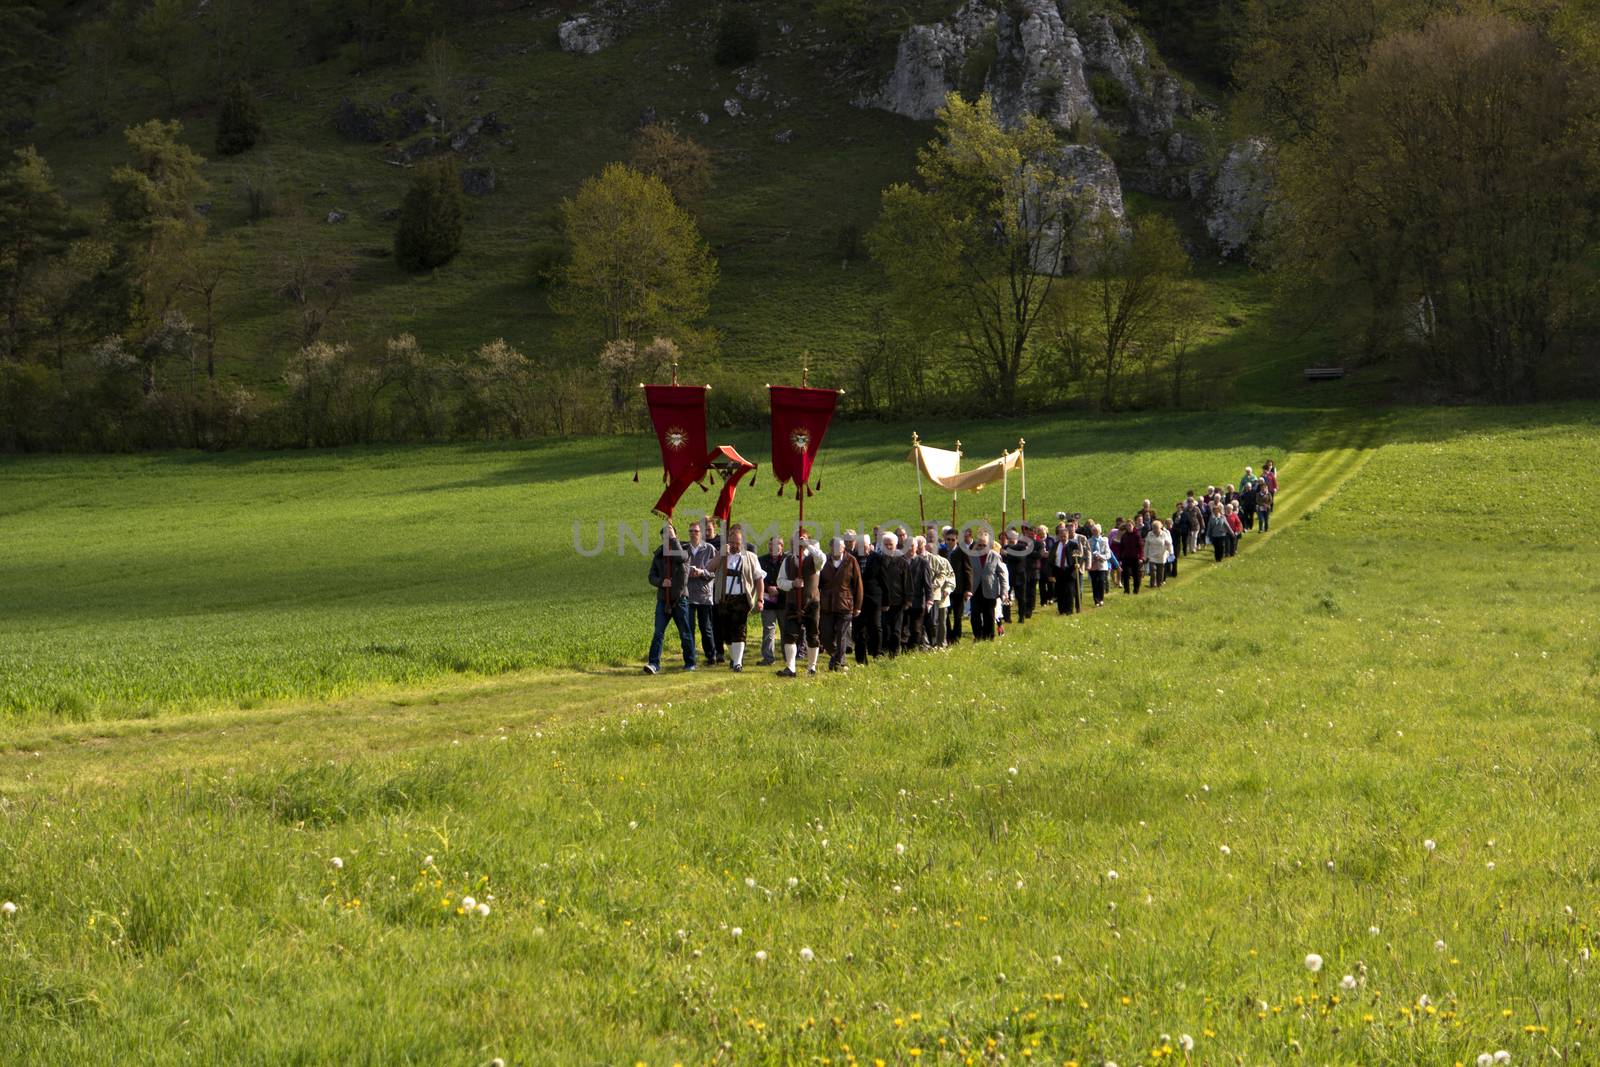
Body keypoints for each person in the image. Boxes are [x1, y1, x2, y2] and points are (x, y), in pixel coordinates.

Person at [712, 523, 765, 672]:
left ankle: (738, 663)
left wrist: (760, 599)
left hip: (742, 599)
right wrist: (720, 554)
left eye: (738, 543)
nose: (735, 546)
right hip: (723, 599)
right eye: (733, 543)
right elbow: (710, 567)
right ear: (728, 540)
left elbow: (759, 579)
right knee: (725, 633)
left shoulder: (751, 557)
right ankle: (734, 657)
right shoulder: (722, 554)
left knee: (739, 630)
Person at [645, 522, 696, 673]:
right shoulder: (659, 554)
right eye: (665, 536)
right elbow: (651, 576)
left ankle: (690, 663)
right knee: (658, 632)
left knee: (685, 633)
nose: (667, 538)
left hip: (680, 600)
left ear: (675, 535)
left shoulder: (685, 549)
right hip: (663, 600)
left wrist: (673, 540)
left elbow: (681, 559)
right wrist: (661, 582)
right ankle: (653, 664)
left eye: (670, 535)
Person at [776, 528, 825, 677]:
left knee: (813, 635)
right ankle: (790, 668)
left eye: (801, 539)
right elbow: (780, 582)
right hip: (792, 602)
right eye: (796, 539)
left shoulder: (814, 559)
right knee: (789, 634)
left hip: (812, 603)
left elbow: (822, 559)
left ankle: (812, 667)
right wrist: (792, 584)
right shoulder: (788, 560)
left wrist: (808, 545)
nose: (798, 542)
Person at [817, 535, 863, 672]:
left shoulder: (851, 560)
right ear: (830, 548)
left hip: (845, 604)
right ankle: (836, 656)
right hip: (827, 604)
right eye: (834, 546)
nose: (837, 549)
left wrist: (858, 606)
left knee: (841, 635)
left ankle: (839, 663)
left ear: (844, 548)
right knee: (825, 636)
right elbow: (818, 583)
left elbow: (858, 584)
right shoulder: (824, 560)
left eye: (840, 547)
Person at [684, 520, 719, 665]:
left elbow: (715, 572)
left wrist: (701, 572)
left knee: (706, 628)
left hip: (704, 595)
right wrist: (688, 572)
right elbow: (678, 570)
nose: (693, 534)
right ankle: (691, 658)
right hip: (688, 595)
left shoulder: (709, 549)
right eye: (691, 531)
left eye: (696, 531)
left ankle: (711, 656)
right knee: (689, 628)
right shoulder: (684, 549)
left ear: (701, 533)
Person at [969, 532, 1009, 640]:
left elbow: (1003, 575)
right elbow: (967, 573)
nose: (982, 547)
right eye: (980, 545)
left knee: (989, 615)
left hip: (990, 590)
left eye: (984, 545)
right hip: (975, 589)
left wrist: (1004, 592)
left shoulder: (995, 556)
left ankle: (989, 637)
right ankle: (978, 636)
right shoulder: (971, 556)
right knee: (975, 615)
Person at [876, 531, 909, 657]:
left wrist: (907, 600)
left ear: (895, 545)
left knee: (896, 630)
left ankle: (894, 653)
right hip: (883, 602)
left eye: (891, 544)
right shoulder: (878, 561)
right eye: (886, 544)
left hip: (898, 601)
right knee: (884, 628)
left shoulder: (902, 562)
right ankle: (884, 651)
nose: (888, 547)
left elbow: (907, 582)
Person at [852, 530, 881, 665]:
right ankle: (860, 659)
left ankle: (876, 654)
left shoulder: (877, 558)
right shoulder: (852, 559)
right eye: (860, 545)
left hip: (874, 600)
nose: (862, 548)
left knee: (875, 628)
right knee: (859, 631)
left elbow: (883, 580)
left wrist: (885, 600)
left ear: (869, 546)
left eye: (865, 545)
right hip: (857, 601)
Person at [757, 535, 785, 666]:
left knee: (785, 629)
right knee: (768, 629)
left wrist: (779, 588)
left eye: (775, 545)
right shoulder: (761, 560)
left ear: (781, 546)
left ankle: (788, 656)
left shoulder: (787, 560)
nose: (771, 547)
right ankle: (768, 658)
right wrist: (768, 588)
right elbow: (758, 577)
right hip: (768, 600)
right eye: (770, 545)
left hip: (784, 600)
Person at [943, 526, 972, 644]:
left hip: (959, 588)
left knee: (958, 615)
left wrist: (968, 589)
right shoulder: (942, 552)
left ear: (957, 540)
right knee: (945, 614)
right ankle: (949, 635)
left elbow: (968, 570)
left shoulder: (962, 552)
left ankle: (956, 636)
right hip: (945, 589)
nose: (950, 542)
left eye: (952, 540)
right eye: (948, 539)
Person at [925, 534, 955, 647]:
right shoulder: (922, 561)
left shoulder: (943, 562)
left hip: (941, 597)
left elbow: (951, 577)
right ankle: (929, 643)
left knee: (941, 621)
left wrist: (947, 589)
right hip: (928, 597)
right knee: (930, 622)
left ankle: (942, 643)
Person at [905, 535, 932, 650]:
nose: (910, 548)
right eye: (908, 546)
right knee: (903, 628)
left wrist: (929, 599)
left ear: (916, 547)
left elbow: (927, 583)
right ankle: (904, 649)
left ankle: (913, 649)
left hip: (918, 600)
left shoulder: (922, 563)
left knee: (916, 629)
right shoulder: (900, 561)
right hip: (903, 601)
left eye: (912, 546)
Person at [1053, 520, 1084, 615]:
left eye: (1064, 536)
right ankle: (1061, 610)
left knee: (1069, 591)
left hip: (1070, 570)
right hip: (1059, 570)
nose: (1063, 537)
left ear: (1067, 535)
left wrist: (1078, 564)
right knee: (1060, 591)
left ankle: (1069, 610)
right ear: (1058, 536)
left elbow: (1080, 557)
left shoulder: (1073, 545)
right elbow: (1051, 559)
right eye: (1061, 536)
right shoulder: (1055, 545)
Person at [1116, 518, 1145, 594]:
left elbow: (1140, 548)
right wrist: (1119, 559)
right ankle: (1126, 590)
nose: (1129, 527)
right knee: (1125, 574)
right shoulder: (1124, 536)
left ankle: (1136, 589)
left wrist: (1141, 558)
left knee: (1136, 575)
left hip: (1135, 558)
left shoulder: (1137, 535)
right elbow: (1121, 548)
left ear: (1133, 526)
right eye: (1127, 526)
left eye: (1130, 525)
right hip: (1125, 558)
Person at [1086, 522, 1111, 607]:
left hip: (1102, 565)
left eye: (1096, 531)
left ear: (1100, 532)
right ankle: (1096, 600)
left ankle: (1101, 599)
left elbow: (1108, 554)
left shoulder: (1104, 541)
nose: (1095, 532)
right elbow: (1087, 553)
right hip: (1093, 565)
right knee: (1094, 583)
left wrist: (1101, 557)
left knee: (1101, 581)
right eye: (1093, 531)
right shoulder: (1088, 541)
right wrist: (1092, 558)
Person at [1144, 519, 1172, 589]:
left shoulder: (1164, 534)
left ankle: (1159, 584)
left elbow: (1169, 544)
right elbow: (1146, 546)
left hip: (1161, 555)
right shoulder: (1149, 534)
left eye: (1156, 528)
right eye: (1153, 528)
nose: (1155, 529)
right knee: (1152, 570)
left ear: (1160, 528)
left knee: (1160, 571)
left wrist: (1171, 553)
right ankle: (1152, 584)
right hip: (1152, 555)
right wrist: (1145, 556)